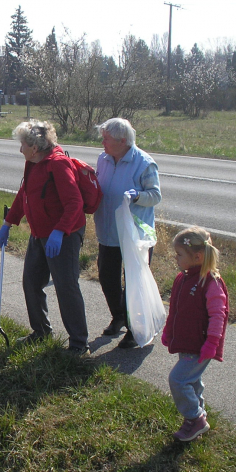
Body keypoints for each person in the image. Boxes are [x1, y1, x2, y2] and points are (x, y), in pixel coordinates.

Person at [0, 120, 90, 356]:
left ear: (35, 147)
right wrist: (8, 223)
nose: (20, 150)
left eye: (22, 145)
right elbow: (24, 193)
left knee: (66, 286)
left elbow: (75, 203)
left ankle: (79, 344)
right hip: (39, 233)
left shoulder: (58, 164)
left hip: (63, 235)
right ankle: (41, 332)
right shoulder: (33, 163)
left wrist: (60, 231)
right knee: (31, 282)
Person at [94, 117, 162, 349]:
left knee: (135, 282)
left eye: (106, 139)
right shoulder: (103, 159)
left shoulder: (143, 163)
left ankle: (136, 330)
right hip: (108, 231)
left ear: (123, 141)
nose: (102, 142)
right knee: (107, 277)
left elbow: (155, 195)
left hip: (135, 235)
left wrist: (137, 196)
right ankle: (119, 316)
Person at [162, 226, 228, 442]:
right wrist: (168, 331)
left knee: (178, 380)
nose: (176, 258)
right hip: (186, 341)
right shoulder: (184, 278)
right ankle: (199, 413)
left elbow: (219, 316)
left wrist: (211, 344)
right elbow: (176, 309)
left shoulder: (211, 283)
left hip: (201, 345)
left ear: (197, 257)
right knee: (192, 380)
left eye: (180, 254)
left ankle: (195, 418)